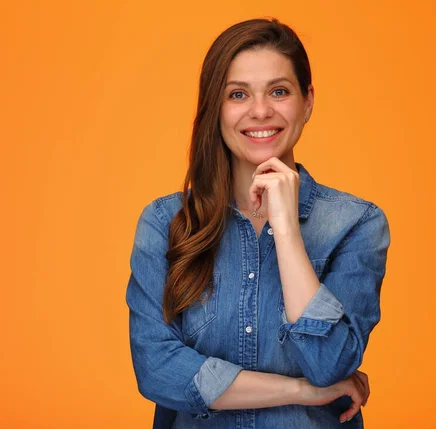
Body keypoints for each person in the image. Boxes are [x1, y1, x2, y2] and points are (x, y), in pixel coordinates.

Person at [126, 18, 391, 428]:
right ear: (216, 108)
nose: (261, 110)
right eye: (238, 94)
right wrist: (301, 391)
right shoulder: (165, 223)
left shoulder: (356, 224)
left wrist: (285, 230)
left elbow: (328, 363)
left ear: (307, 101)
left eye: (279, 91)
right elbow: (157, 367)